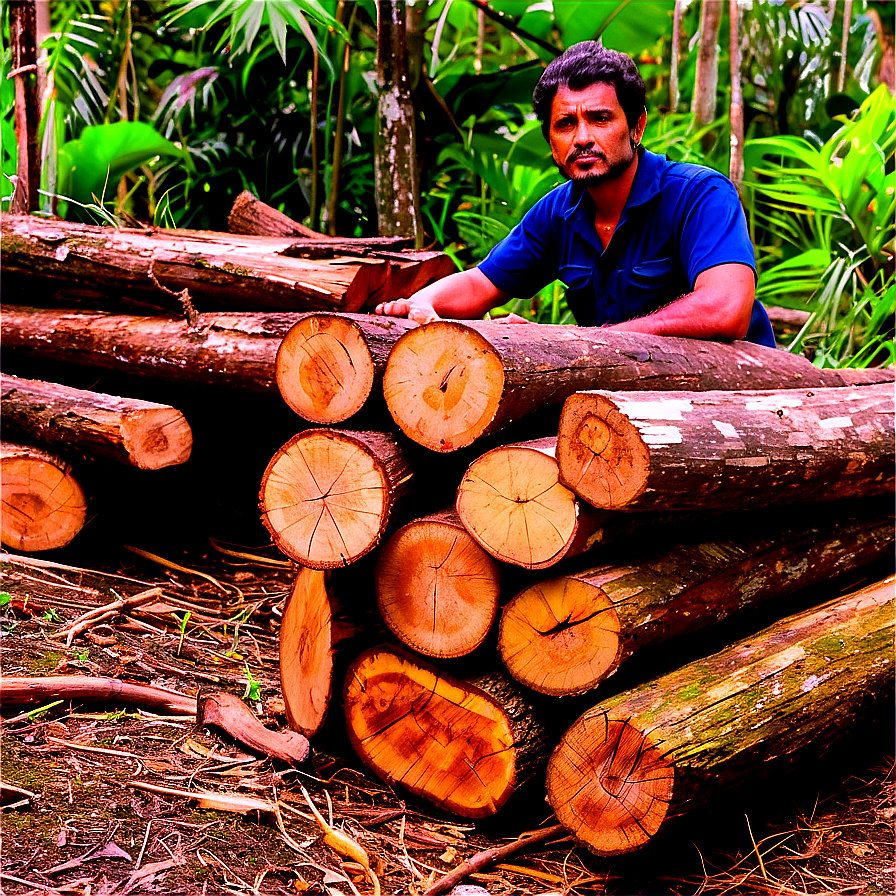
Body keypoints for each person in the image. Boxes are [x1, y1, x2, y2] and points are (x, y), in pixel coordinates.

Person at [375, 41, 776, 348]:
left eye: (600, 118)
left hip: (743, 404)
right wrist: (419, 303)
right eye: (566, 123)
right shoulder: (556, 213)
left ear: (636, 127)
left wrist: (591, 342)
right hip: (625, 410)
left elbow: (726, 309)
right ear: (551, 142)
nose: (583, 138)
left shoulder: (699, 195)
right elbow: (481, 284)